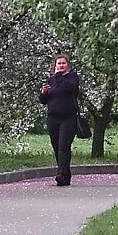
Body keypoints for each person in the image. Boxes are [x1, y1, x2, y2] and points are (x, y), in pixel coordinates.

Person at [41, 54, 85, 186]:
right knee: (56, 146)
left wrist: (59, 76)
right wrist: (43, 93)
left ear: (68, 65)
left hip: (69, 117)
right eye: (58, 63)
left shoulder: (72, 77)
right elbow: (44, 101)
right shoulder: (52, 80)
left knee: (63, 146)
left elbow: (70, 88)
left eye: (63, 63)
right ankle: (65, 174)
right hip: (53, 118)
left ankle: (61, 174)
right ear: (54, 66)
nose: (61, 66)